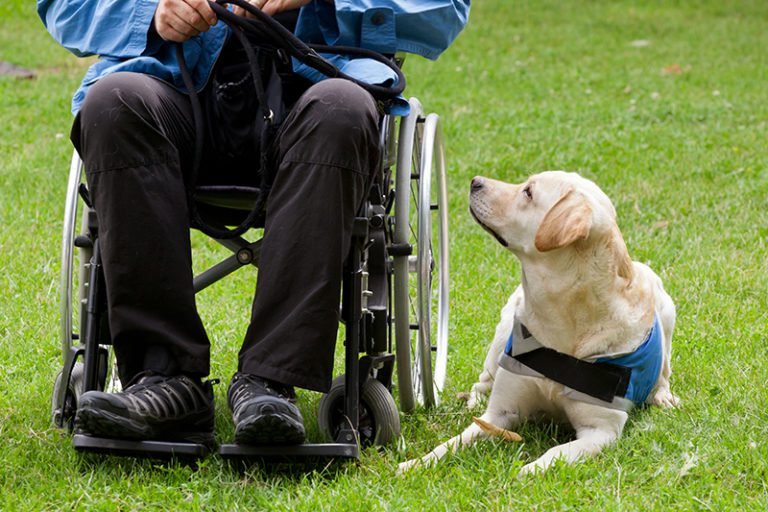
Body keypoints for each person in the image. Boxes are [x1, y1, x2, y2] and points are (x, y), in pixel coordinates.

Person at [38, 0, 469, 447]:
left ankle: (268, 382)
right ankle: (164, 378)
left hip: (316, 84)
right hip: (176, 87)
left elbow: (446, 9)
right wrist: (148, 13)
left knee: (342, 107)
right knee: (113, 102)